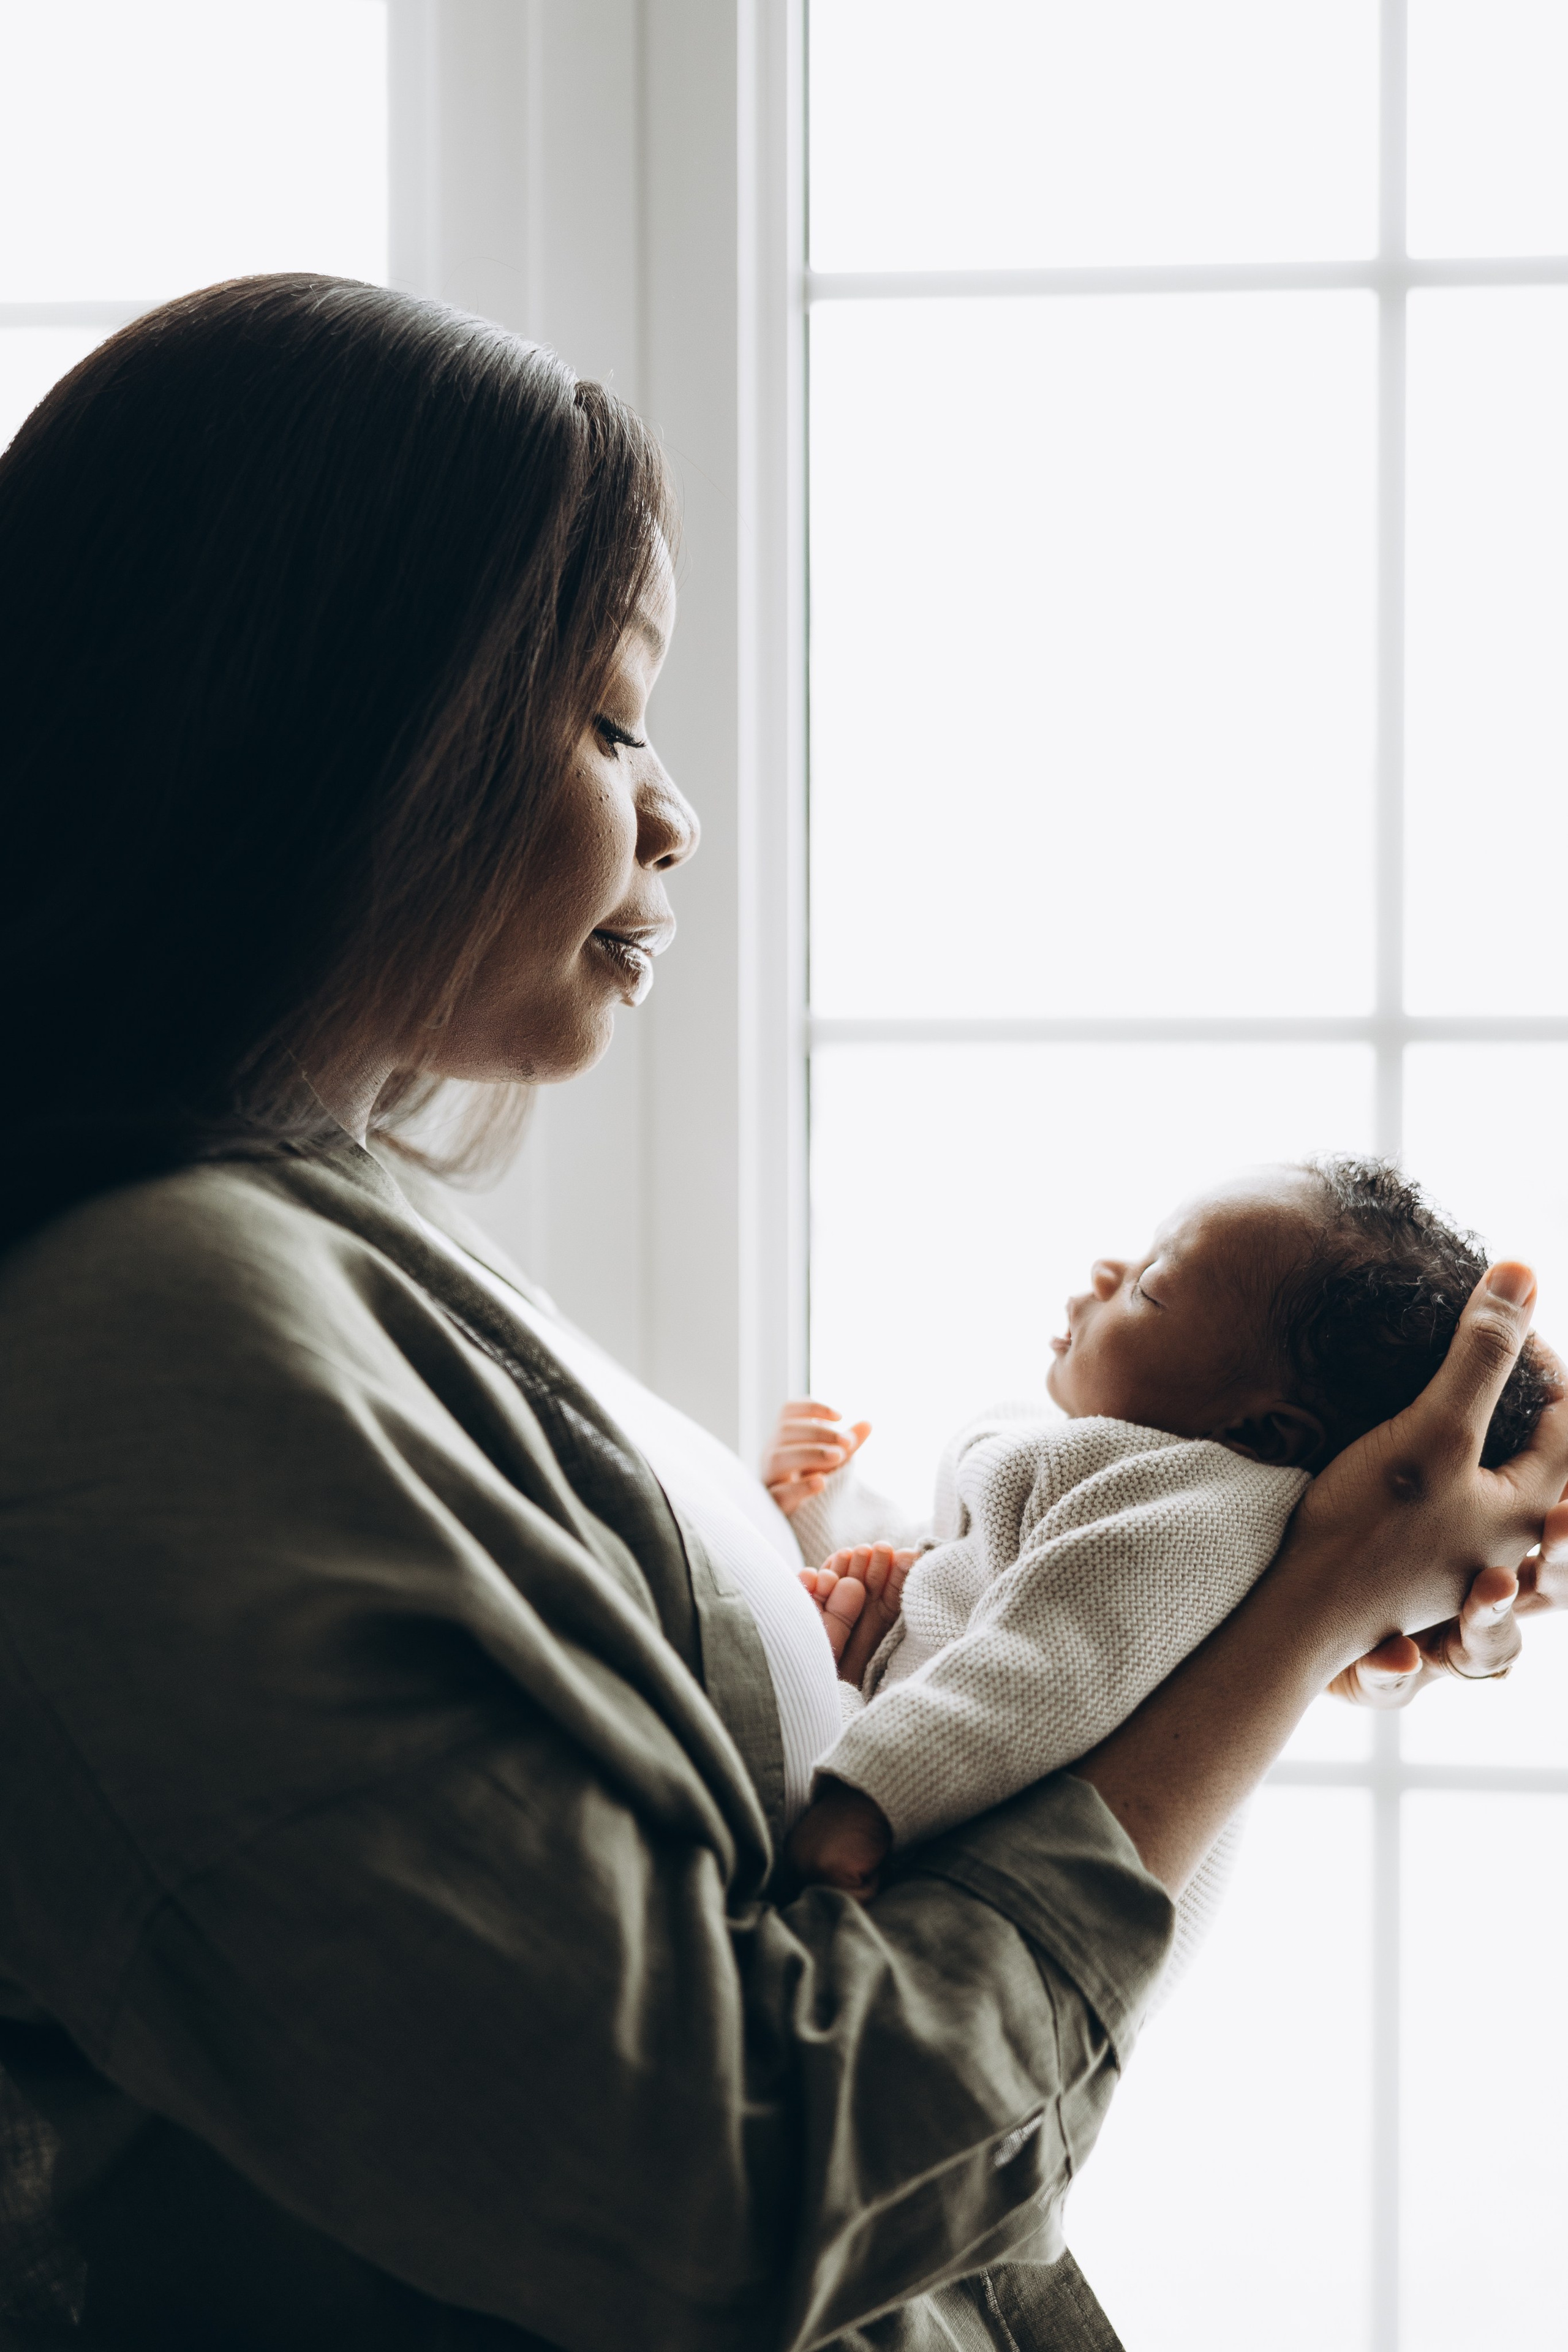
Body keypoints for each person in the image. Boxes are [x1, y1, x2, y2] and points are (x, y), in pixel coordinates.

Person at [0, 275, 1561, 2352]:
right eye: (607, 718)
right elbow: (730, 2185)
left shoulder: (323, 1249)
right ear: (323, 720)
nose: (674, 812)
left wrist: (1325, 1562)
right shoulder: (152, 1344)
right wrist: (1293, 1622)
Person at [777, 1157, 1550, 1899]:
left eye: (1149, 1286)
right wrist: (819, 1502)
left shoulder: (1197, 1512)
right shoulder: (1111, 1480)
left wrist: (870, 1803)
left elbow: (1049, 1664)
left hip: (928, 1837)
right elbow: (940, 1567)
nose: (1105, 1271)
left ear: (1259, 1433)